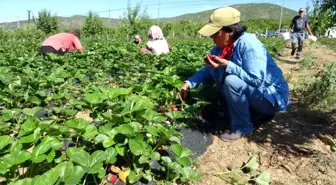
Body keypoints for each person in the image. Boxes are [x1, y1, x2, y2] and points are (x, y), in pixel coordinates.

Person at [178, 7, 290, 141]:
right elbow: (207, 71)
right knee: (219, 100)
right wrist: (188, 84)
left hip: (271, 98)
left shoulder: (250, 45)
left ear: (229, 31)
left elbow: (257, 80)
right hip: (256, 95)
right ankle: (256, 114)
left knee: (232, 81)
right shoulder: (220, 48)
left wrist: (228, 65)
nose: (212, 38)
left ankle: (242, 127)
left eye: (215, 33)